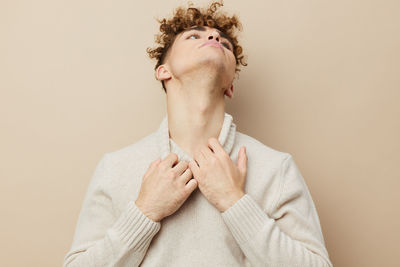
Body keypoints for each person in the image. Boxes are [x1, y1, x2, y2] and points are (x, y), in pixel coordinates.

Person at [63, 0, 333, 266]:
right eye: (194, 36)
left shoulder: (276, 168)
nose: (215, 36)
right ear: (163, 71)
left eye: (224, 43)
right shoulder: (116, 167)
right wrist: (145, 212)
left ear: (230, 86)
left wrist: (234, 202)